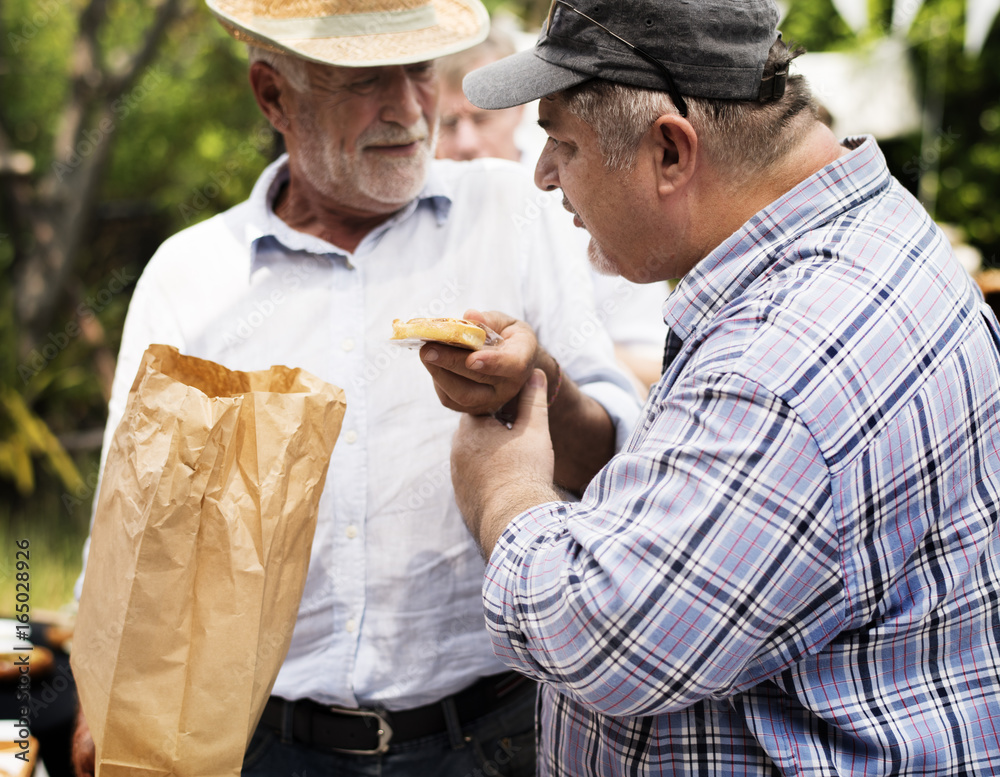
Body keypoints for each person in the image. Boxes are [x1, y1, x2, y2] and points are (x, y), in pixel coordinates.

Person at [69, 0, 644, 775]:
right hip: (266, 745)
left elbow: (616, 464)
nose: (409, 109)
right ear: (273, 95)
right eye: (368, 79)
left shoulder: (514, 210)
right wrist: (103, 691)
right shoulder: (191, 275)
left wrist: (537, 381)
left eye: (420, 72)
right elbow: (132, 517)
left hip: (493, 738)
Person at [429, 0, 1000, 774]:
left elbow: (603, 633)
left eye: (562, 140)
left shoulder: (788, 360)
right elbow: (718, 505)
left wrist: (502, 492)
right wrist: (555, 405)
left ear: (670, 151)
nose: (543, 174)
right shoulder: (859, 241)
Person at [437, 24, 668, 393]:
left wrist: (555, 349)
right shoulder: (424, 213)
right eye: (447, 123)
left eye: (481, 118)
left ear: (516, 109)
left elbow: (655, 365)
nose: (465, 142)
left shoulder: (592, 203)